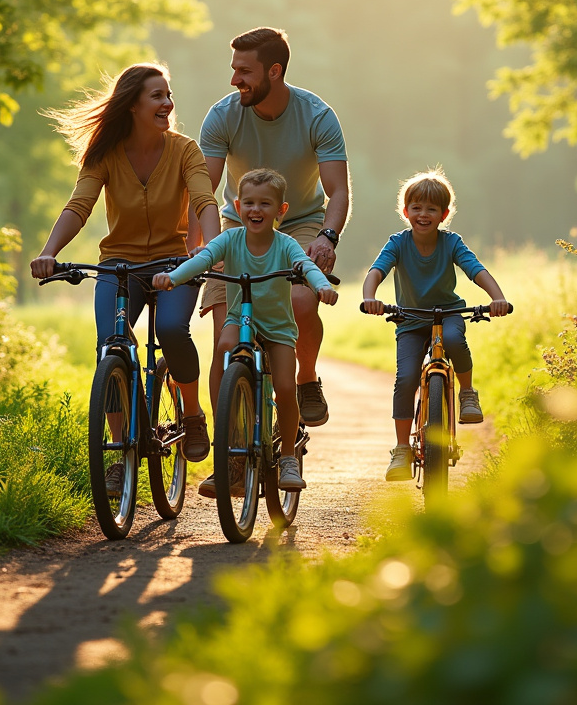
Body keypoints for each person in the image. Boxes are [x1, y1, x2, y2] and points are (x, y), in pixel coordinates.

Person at [30, 63, 220, 478]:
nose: (167, 103)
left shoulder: (185, 150)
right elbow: (78, 207)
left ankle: (191, 415)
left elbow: (205, 201)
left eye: (169, 95)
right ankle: (119, 453)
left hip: (175, 262)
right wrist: (48, 252)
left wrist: (210, 249)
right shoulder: (105, 154)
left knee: (171, 330)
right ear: (132, 105)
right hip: (119, 266)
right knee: (110, 346)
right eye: (157, 96)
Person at [197, 27, 350, 440]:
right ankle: (229, 449)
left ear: (275, 71)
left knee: (301, 300)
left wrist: (327, 237)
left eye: (244, 71)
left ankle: (306, 378)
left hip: (298, 220)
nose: (234, 80)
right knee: (221, 338)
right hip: (237, 222)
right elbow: (204, 191)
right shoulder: (223, 114)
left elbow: (338, 191)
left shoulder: (317, 115)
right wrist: (198, 245)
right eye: (234, 70)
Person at [154, 168, 338, 491]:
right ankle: (229, 442)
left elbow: (306, 266)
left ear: (281, 211)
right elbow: (205, 258)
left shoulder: (287, 245)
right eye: (249, 203)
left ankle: (289, 456)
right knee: (224, 348)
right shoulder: (230, 239)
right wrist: (175, 277)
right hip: (240, 319)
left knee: (283, 384)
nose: (256, 210)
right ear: (238, 207)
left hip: (278, 327)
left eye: (265, 204)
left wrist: (321, 286)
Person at [361, 168, 509, 481]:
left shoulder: (451, 242)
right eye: (416, 208)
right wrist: (369, 297)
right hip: (411, 319)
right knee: (405, 378)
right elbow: (377, 270)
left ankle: (467, 392)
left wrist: (497, 298)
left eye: (431, 209)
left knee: (455, 340)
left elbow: (476, 270)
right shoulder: (398, 244)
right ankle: (402, 448)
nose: (423, 214)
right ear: (405, 212)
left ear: (443, 214)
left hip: (448, 313)